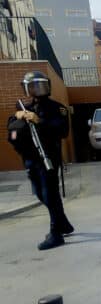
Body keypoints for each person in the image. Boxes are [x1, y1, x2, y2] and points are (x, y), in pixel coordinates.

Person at [7, 71, 74, 250]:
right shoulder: (23, 107)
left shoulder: (57, 108)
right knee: (39, 193)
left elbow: (62, 131)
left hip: (48, 158)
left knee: (49, 194)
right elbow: (12, 128)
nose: (35, 90)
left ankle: (56, 233)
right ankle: (63, 223)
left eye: (38, 85)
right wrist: (17, 117)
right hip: (30, 158)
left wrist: (38, 120)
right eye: (31, 86)